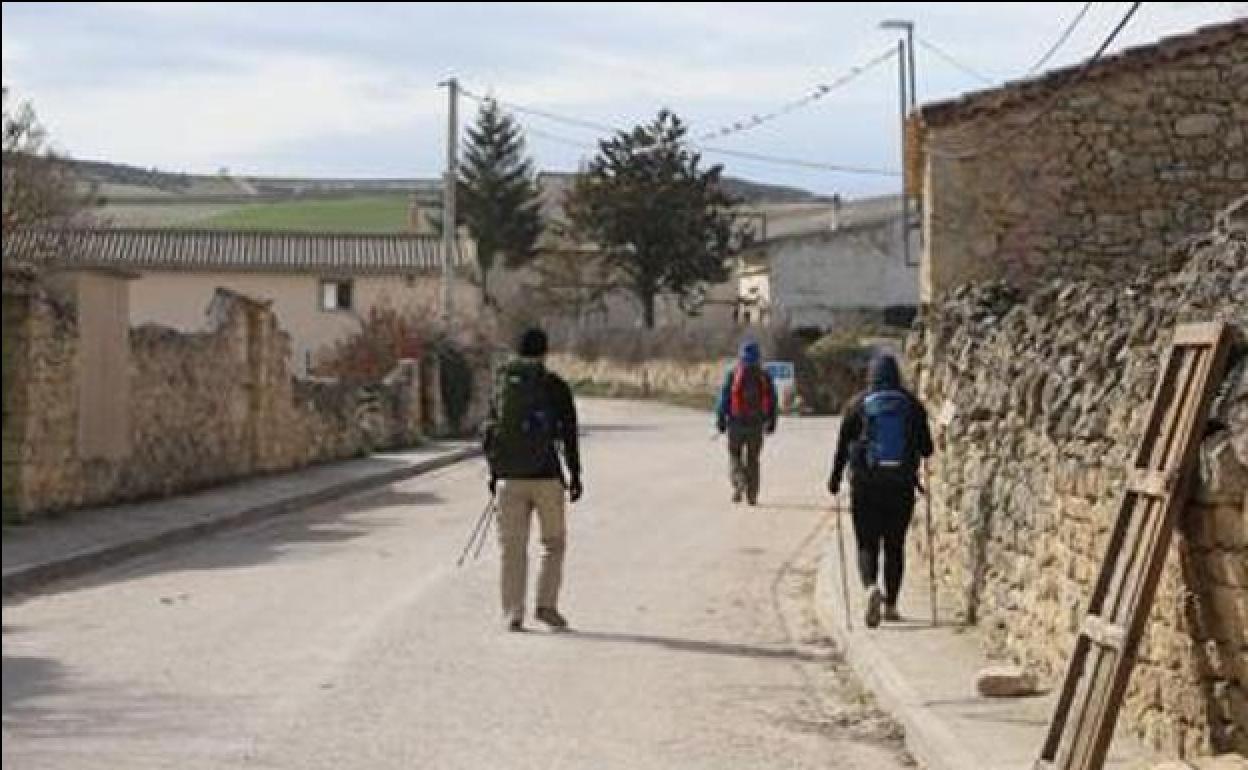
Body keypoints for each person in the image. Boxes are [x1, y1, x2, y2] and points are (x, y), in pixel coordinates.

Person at [484, 327, 583, 632]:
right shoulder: (555, 386)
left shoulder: (503, 386)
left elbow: (491, 431)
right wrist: (575, 474)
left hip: (509, 478)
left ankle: (513, 612)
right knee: (553, 544)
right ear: (545, 352)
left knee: (512, 549)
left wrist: (494, 474)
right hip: (547, 476)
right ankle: (546, 606)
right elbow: (569, 435)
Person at [827, 352, 933, 628]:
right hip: (900, 486)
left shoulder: (857, 405)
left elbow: (842, 447)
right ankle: (892, 606)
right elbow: (928, 449)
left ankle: (870, 588)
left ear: (870, 375)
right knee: (895, 545)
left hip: (865, 487)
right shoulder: (911, 405)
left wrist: (834, 480)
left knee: (867, 543)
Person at [715, 341, 778, 506]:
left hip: (736, 423)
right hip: (756, 424)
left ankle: (739, 482)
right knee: (753, 459)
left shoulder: (733, 374)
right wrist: (772, 422)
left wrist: (721, 420)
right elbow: (773, 401)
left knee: (734, 456)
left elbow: (724, 400)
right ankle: (752, 495)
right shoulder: (764, 376)